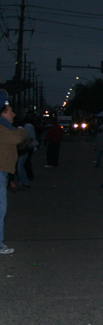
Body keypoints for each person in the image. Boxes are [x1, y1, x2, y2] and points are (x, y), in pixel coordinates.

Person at [0, 101, 28, 254]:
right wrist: (22, 130)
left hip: (3, 171)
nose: (14, 115)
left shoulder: (5, 129)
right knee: (0, 208)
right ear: (2, 114)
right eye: (10, 112)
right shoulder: (2, 129)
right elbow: (16, 138)